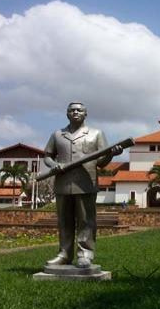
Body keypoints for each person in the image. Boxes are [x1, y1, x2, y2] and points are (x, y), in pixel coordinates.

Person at [43, 102, 122, 268]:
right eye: (72, 110)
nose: (75, 112)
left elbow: (101, 162)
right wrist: (53, 165)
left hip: (86, 182)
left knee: (86, 220)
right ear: (67, 114)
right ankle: (64, 253)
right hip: (63, 183)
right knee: (64, 221)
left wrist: (111, 156)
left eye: (79, 110)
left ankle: (85, 254)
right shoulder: (57, 135)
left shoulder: (96, 134)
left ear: (86, 114)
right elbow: (47, 156)